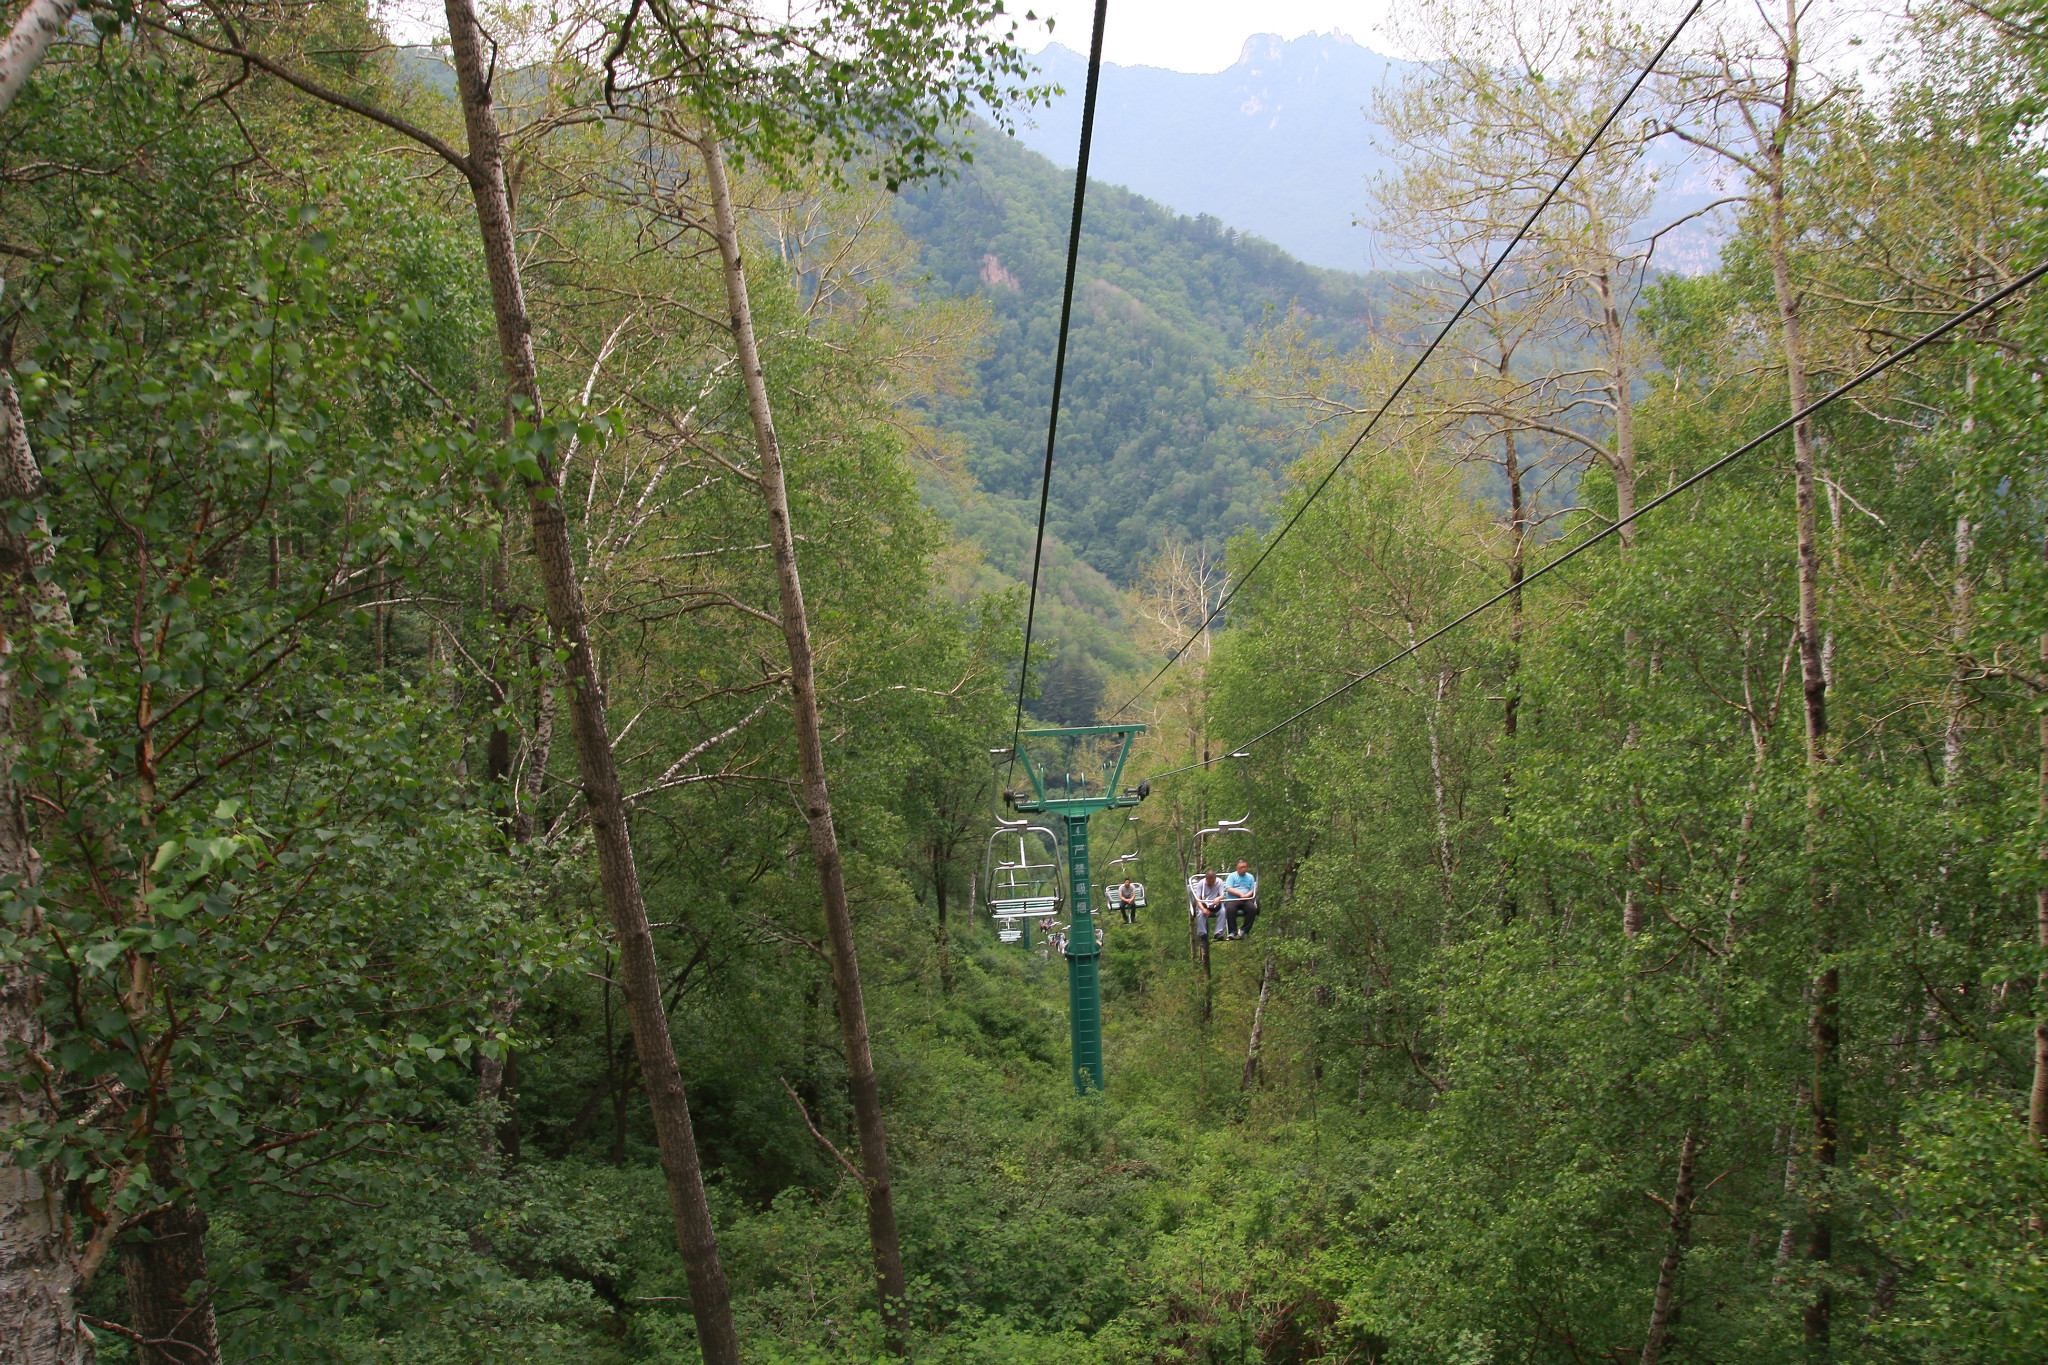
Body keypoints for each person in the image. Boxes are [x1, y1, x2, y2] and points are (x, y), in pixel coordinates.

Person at [1224, 859, 1259, 939]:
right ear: (1237, 868)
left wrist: (1246, 896)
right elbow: (1229, 888)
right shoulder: (1232, 876)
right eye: (1241, 867)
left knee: (1252, 909)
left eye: (1245, 867)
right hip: (1233, 898)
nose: (1243, 869)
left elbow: (1252, 889)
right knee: (1230, 909)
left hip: (1246, 898)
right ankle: (1232, 932)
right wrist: (1240, 894)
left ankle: (1244, 930)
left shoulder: (1250, 877)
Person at [1194, 870, 1226, 939]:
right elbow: (1198, 899)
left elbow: (1222, 895)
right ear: (1206, 879)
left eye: (1213, 882)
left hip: (1216, 904)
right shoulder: (1201, 884)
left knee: (1223, 911)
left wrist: (1218, 898)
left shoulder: (1219, 882)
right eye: (1209, 882)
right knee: (1200, 913)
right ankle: (1203, 935)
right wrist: (1203, 909)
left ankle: (1218, 933)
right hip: (1205, 904)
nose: (1211, 883)